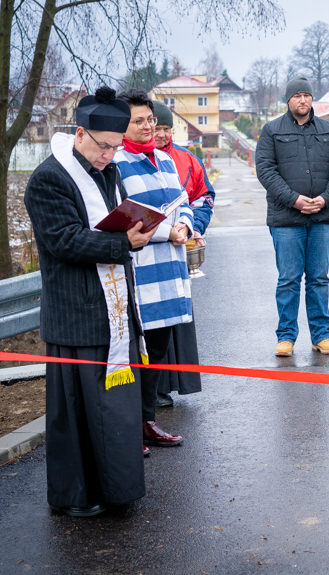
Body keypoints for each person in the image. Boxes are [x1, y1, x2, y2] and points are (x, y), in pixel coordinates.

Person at [24, 86, 155, 517]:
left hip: (112, 311)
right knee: (78, 417)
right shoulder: (48, 178)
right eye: (104, 147)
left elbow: (111, 223)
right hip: (76, 314)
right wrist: (124, 243)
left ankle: (118, 489)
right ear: (80, 133)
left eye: (116, 148)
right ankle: (77, 496)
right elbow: (62, 240)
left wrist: (137, 227)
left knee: (114, 413)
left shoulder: (109, 170)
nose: (109, 156)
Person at [115, 90, 194, 450]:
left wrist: (187, 227)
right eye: (139, 121)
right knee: (135, 353)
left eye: (151, 120)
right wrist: (168, 231)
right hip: (140, 270)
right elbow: (124, 213)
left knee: (158, 351)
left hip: (171, 269)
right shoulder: (115, 163)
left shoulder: (164, 160)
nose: (148, 127)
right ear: (122, 125)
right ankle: (127, 426)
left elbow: (183, 201)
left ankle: (147, 421)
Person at [255, 76, 329, 357]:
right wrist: (294, 200)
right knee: (289, 278)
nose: (303, 100)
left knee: (319, 278)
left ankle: (322, 335)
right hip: (286, 219)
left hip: (321, 217)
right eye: (297, 95)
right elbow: (266, 171)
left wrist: (325, 198)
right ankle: (286, 336)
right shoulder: (272, 131)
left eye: (307, 95)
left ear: (312, 99)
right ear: (288, 100)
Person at [152, 100, 215, 406]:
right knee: (156, 323)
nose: (162, 134)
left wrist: (194, 227)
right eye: (157, 128)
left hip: (182, 246)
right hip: (150, 252)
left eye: (166, 128)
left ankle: (178, 382)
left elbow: (203, 197)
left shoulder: (187, 160)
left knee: (179, 320)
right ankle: (156, 389)